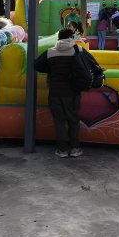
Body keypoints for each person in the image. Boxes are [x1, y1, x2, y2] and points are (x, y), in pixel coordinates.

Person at [34, 28, 87, 158]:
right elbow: (89, 65)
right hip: (73, 92)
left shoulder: (50, 52)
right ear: (71, 37)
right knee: (73, 120)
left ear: (58, 39)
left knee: (59, 121)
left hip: (55, 92)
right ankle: (74, 148)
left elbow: (36, 65)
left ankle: (62, 150)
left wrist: (51, 70)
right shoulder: (78, 50)